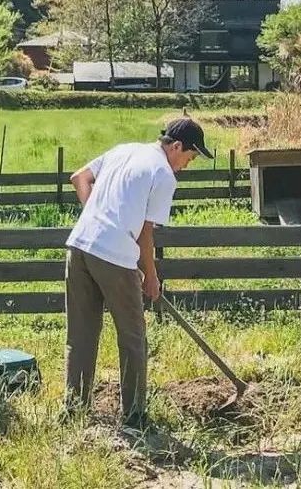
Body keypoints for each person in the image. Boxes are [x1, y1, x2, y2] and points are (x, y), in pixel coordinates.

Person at [63, 118, 213, 427]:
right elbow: (145, 233)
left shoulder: (124, 150)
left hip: (79, 247)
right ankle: (134, 416)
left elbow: (79, 178)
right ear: (176, 146)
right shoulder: (163, 174)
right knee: (133, 338)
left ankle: (74, 411)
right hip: (115, 257)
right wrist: (151, 276)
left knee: (81, 334)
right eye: (190, 157)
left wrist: (98, 219)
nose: (187, 165)